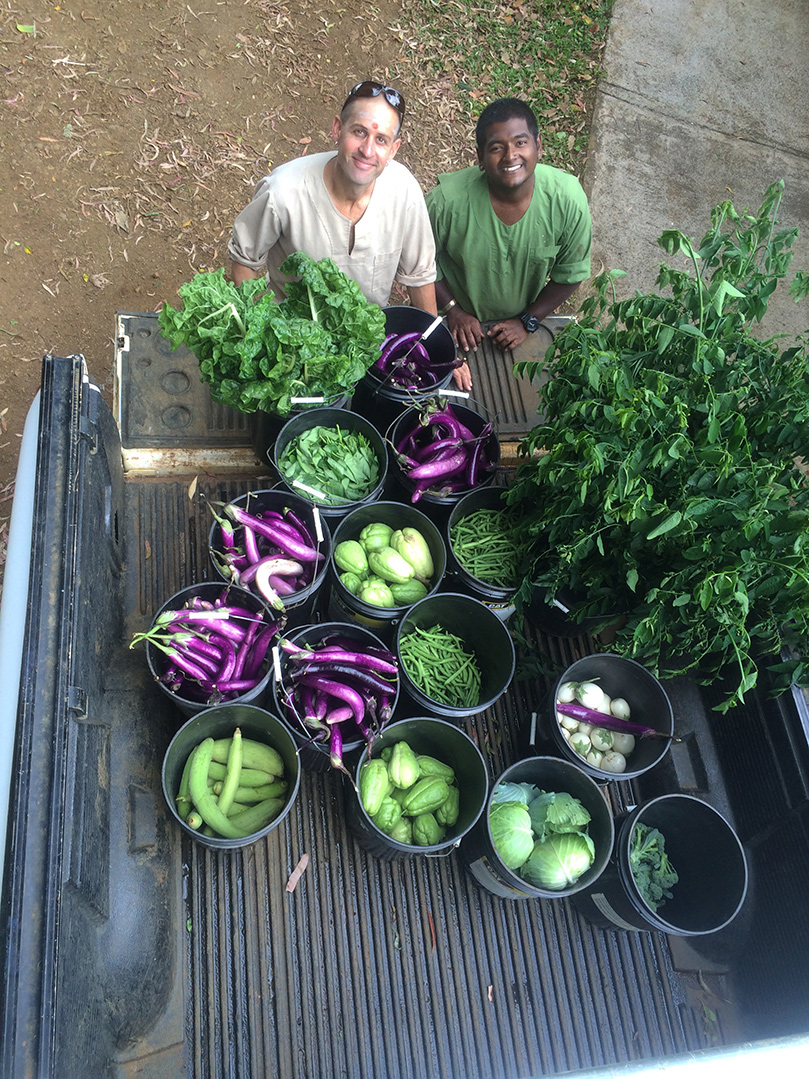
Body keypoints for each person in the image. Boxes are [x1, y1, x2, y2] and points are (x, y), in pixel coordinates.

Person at [228, 80, 437, 314]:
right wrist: (261, 330)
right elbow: (244, 261)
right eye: (359, 132)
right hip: (292, 335)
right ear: (337, 129)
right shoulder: (283, 191)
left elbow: (420, 277)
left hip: (364, 338)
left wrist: (432, 343)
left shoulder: (404, 193)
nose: (367, 151)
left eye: (381, 139)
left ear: (393, 149)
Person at [426, 97, 592, 391]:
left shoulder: (568, 200)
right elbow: (418, 265)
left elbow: (571, 274)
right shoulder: (446, 202)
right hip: (456, 322)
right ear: (479, 156)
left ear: (538, 145)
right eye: (496, 147)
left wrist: (529, 319)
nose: (510, 156)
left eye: (520, 143)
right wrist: (452, 310)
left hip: (522, 324)